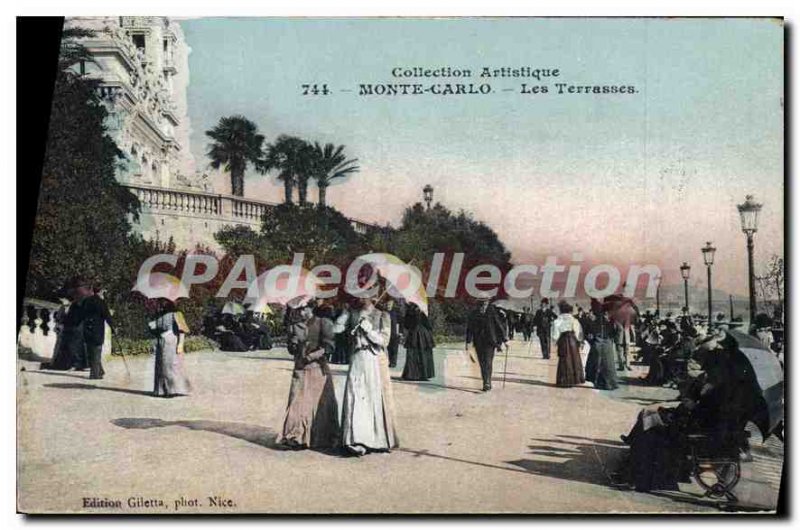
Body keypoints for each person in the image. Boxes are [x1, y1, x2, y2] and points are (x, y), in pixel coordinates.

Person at [340, 295, 399, 456]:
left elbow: (384, 341)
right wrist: (344, 316)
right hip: (356, 358)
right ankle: (354, 439)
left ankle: (375, 440)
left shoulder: (383, 315)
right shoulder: (353, 314)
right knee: (355, 396)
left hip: (372, 359)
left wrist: (368, 329)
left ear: (373, 296)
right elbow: (338, 331)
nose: (360, 295)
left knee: (371, 397)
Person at [277, 305, 340, 449]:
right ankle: (295, 436)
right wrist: (293, 344)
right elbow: (291, 350)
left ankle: (322, 438)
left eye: (303, 309)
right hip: (300, 368)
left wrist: (312, 356)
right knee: (296, 402)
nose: (300, 312)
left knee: (320, 404)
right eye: (298, 309)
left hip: (318, 368)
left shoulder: (323, 322)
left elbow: (329, 346)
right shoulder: (294, 326)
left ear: (311, 308)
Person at [148, 299, 191, 397]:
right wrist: (152, 327)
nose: (163, 304)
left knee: (170, 366)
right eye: (162, 301)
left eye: (165, 302)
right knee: (160, 366)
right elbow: (154, 329)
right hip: (161, 341)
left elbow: (182, 330)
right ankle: (160, 390)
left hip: (171, 341)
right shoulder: (158, 314)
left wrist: (180, 344)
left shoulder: (177, 314)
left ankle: (172, 390)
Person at [466, 298, 507, 392]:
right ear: (478, 303)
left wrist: (505, 340)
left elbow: (498, 325)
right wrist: (468, 342)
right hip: (478, 341)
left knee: (488, 362)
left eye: (485, 302)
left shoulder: (492, 312)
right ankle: (485, 380)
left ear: (488, 303)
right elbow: (469, 329)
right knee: (482, 363)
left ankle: (487, 382)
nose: (483, 304)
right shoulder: (473, 313)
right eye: (482, 303)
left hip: (490, 341)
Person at [77, 283, 114, 380]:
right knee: (96, 352)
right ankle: (95, 374)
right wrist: (114, 328)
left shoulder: (86, 301)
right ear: (101, 291)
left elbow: (80, 315)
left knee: (91, 352)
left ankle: (99, 370)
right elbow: (108, 316)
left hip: (87, 330)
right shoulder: (101, 303)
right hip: (97, 331)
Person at [583, 301, 619, 390]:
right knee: (608, 365)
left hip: (597, 344)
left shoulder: (593, 321)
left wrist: (592, 342)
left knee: (596, 365)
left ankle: (598, 383)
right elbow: (616, 332)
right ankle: (609, 384)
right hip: (607, 345)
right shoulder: (610, 321)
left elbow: (588, 334)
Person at [552, 300, 585, 387]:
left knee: (564, 360)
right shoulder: (574, 320)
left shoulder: (558, 320)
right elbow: (578, 331)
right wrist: (579, 340)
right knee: (574, 359)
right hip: (572, 340)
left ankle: (564, 380)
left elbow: (555, 334)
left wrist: (555, 341)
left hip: (563, 340)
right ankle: (574, 380)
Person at [401, 302, 435, 381]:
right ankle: (424, 374)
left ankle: (412, 374)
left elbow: (406, 325)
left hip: (414, 334)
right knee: (423, 354)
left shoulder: (409, 311)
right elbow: (428, 325)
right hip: (424, 334)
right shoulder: (422, 311)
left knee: (413, 355)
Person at [330, 300, 351, 364]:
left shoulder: (346, 313)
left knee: (340, 347)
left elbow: (339, 321)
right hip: (337, 330)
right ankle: (337, 359)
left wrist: (335, 320)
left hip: (341, 330)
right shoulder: (340, 312)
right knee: (338, 346)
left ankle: (341, 359)